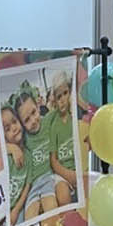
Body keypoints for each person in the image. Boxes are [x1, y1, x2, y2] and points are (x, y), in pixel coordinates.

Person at [14, 91, 59, 220]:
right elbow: (3, 145)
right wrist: (13, 148)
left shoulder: (48, 121)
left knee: (51, 209)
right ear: (22, 125)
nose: (33, 121)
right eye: (27, 120)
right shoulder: (23, 138)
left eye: (34, 112)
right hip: (32, 186)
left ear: (38, 107)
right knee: (29, 219)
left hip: (49, 178)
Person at [43, 72, 78, 206]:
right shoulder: (54, 125)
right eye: (59, 97)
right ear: (54, 101)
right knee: (63, 196)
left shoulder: (75, 118)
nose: (63, 99)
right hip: (62, 173)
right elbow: (54, 161)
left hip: (79, 168)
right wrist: (68, 175)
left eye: (65, 93)